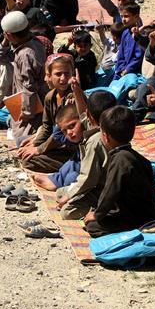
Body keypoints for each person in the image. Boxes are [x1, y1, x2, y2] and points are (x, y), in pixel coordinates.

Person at [84, 106, 155, 237]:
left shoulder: (120, 160)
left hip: (137, 218)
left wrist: (97, 214)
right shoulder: (137, 157)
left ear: (106, 137)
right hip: (150, 213)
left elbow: (110, 192)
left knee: (92, 226)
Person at [53, 91, 118, 219]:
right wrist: (76, 89)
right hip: (98, 184)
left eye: (72, 126)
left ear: (89, 115)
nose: (69, 133)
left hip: (103, 188)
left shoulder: (95, 141)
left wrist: (70, 196)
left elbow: (88, 178)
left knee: (66, 212)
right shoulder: (102, 128)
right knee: (60, 192)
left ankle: (97, 210)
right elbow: (82, 113)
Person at [18, 54, 77, 172]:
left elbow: (60, 134)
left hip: (70, 145)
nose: (63, 78)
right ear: (50, 76)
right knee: (21, 144)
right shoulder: (50, 97)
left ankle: (72, 166)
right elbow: (47, 126)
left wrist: (39, 149)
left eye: (67, 74)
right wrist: (35, 144)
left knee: (30, 160)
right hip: (55, 142)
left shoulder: (73, 98)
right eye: (58, 74)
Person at [0, 11, 48, 144]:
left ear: (9, 35)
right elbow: (0, 57)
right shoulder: (34, 42)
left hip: (33, 105)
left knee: (22, 140)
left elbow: (29, 87)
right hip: (30, 101)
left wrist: (27, 112)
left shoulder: (25, 55)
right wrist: (7, 39)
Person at [114, 3, 144, 77]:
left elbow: (138, 57)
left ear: (136, 17)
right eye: (122, 16)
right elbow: (121, 54)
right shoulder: (125, 33)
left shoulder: (140, 34)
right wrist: (120, 68)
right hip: (122, 70)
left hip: (134, 72)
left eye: (126, 16)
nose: (123, 19)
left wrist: (127, 69)